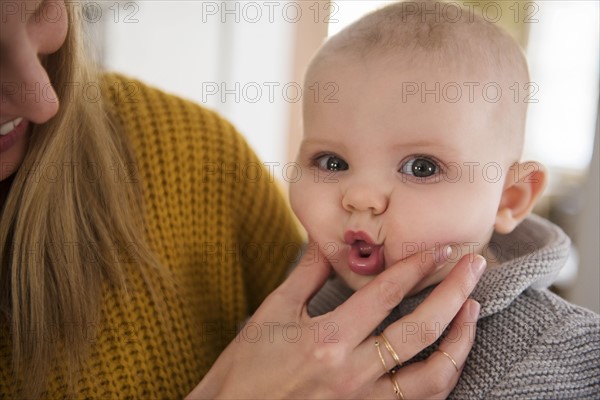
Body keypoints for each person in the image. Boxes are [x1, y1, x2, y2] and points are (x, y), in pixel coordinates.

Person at [1, 1, 486, 398]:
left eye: (37, 8)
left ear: (513, 197)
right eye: (332, 163)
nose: (42, 100)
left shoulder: (197, 150)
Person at [285, 1, 600, 399]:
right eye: (332, 162)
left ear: (509, 198)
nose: (359, 197)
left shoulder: (559, 352)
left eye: (421, 168)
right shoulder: (294, 296)